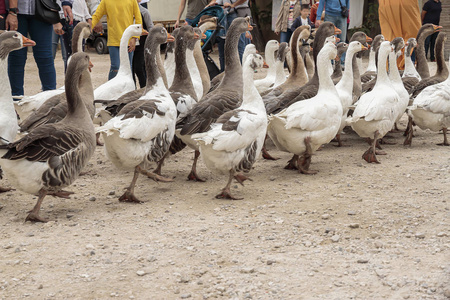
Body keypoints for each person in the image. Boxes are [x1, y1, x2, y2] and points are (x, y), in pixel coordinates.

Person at [7, 0, 73, 97]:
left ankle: (49, 98)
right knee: (16, 57)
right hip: (17, 11)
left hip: (43, 9)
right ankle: (15, 100)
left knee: (45, 57)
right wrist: (12, 12)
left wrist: (66, 2)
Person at [91, 0, 142, 80]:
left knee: (128, 68)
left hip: (128, 42)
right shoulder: (105, 1)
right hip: (113, 41)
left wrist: (135, 37)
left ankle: (128, 91)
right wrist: (89, 28)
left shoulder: (132, 1)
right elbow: (96, 16)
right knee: (115, 67)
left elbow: (138, 19)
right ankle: (111, 89)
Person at [207, 0, 252, 71]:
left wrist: (233, 5)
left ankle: (239, 72)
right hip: (223, 15)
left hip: (236, 14)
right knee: (222, 45)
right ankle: (224, 73)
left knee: (239, 45)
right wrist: (212, 4)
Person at [378, 0, 421, 69]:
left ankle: (391, 68)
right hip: (407, 4)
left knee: (390, 36)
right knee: (412, 35)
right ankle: (408, 67)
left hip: (386, 4)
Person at [53, 0, 93, 72]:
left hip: (80, 18)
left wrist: (87, 17)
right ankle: (70, 82)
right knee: (72, 56)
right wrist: (55, 19)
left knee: (79, 55)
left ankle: (78, 82)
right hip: (67, 16)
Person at [133, 0, 153, 88]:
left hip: (141, 46)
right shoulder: (126, 12)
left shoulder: (144, 12)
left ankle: (144, 89)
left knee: (139, 68)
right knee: (130, 70)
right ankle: (132, 90)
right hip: (129, 46)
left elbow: (150, 28)